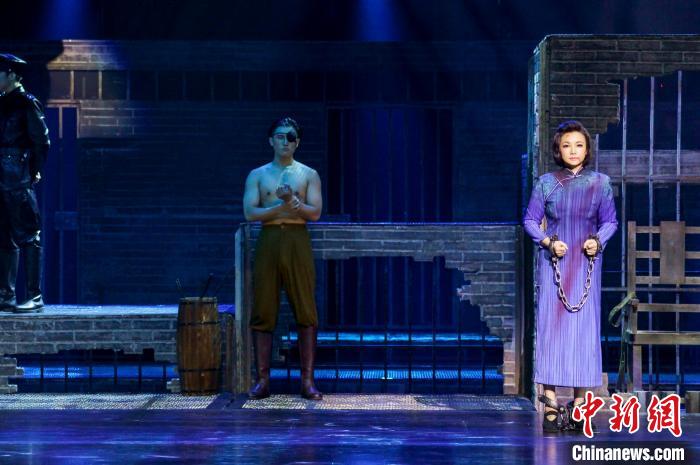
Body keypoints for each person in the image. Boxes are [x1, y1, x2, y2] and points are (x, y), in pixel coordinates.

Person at [523, 120, 617, 432]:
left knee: (583, 333)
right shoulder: (546, 183)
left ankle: (579, 404)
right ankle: (550, 401)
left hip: (586, 262)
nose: (573, 151)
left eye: (579, 145)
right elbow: (530, 220)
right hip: (555, 264)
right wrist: (547, 242)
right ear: (558, 150)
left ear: (587, 149)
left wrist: (598, 241)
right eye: (566, 145)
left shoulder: (601, 183)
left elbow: (610, 221)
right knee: (552, 330)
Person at [243, 117, 323, 400]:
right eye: (280, 136)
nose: (285, 142)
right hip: (270, 239)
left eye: (290, 137)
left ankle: (307, 381)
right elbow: (250, 213)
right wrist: (281, 206)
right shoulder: (258, 175)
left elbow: (315, 213)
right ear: (271, 140)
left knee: (305, 308)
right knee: (264, 306)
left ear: (297, 142)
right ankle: (262, 380)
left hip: (297, 239)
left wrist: (293, 203)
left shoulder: (308, 174)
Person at [0, 53, 50, 313]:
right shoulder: (2, 102)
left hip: (16, 174)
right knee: (3, 236)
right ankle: (5, 295)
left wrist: (33, 171)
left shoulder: (26, 102)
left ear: (11, 74)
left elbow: (41, 141)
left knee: (28, 235)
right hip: (2, 174)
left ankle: (34, 295)